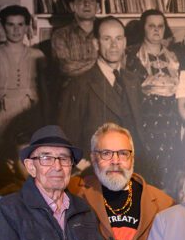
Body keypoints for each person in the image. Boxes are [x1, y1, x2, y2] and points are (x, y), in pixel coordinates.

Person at [59, 16, 144, 178]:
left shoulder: (133, 80)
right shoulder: (79, 84)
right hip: (95, 174)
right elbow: (67, 137)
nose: (114, 45)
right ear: (96, 44)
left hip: (131, 171)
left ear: (125, 42)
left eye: (118, 38)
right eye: (107, 39)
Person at [124, 10, 183, 197]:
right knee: (148, 174)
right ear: (143, 28)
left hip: (171, 122)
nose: (156, 30)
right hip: (145, 123)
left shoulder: (173, 57)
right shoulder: (131, 55)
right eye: (151, 26)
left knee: (171, 172)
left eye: (160, 26)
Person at [0, 5, 45, 159]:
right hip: (2, 114)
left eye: (20, 24)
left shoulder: (38, 55)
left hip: (30, 112)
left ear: (26, 27)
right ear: (3, 26)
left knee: (30, 160)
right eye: (11, 24)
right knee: (4, 162)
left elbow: (45, 95)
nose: (16, 30)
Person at [51, 0, 99, 80]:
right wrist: (102, 64)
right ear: (72, 6)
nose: (86, 4)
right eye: (81, 0)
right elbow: (65, 67)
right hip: (74, 89)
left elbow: (119, 62)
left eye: (91, 0)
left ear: (97, 7)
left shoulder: (107, 32)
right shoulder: (60, 34)